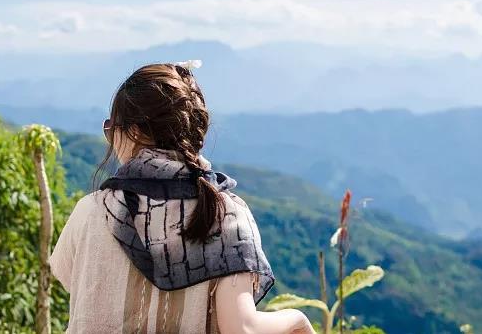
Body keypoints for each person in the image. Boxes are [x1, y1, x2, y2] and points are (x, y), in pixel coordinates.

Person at [49, 62, 314, 334]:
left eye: (111, 128)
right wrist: (298, 319)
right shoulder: (227, 215)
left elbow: (78, 286)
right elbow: (242, 329)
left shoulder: (93, 211)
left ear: (135, 131)